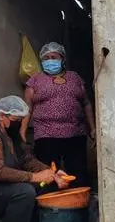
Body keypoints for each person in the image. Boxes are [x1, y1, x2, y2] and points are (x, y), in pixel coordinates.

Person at [21, 42, 96, 190]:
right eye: (46, 58)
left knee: (77, 175)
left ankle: (79, 206)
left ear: (62, 59)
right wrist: (22, 133)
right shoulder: (35, 80)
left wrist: (92, 128)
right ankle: (50, 209)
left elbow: (86, 103)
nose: (50, 60)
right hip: (46, 134)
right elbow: (27, 108)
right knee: (48, 175)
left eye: (53, 57)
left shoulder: (74, 78)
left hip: (75, 133)